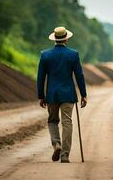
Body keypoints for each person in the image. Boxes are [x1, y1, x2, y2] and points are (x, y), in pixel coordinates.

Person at [37, 26, 87, 163]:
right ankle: (65, 155)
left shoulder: (45, 55)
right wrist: (83, 94)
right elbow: (79, 76)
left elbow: (40, 77)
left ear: (55, 38)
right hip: (68, 94)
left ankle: (56, 144)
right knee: (67, 123)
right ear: (66, 39)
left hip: (52, 94)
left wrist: (41, 96)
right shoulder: (73, 54)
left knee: (52, 121)